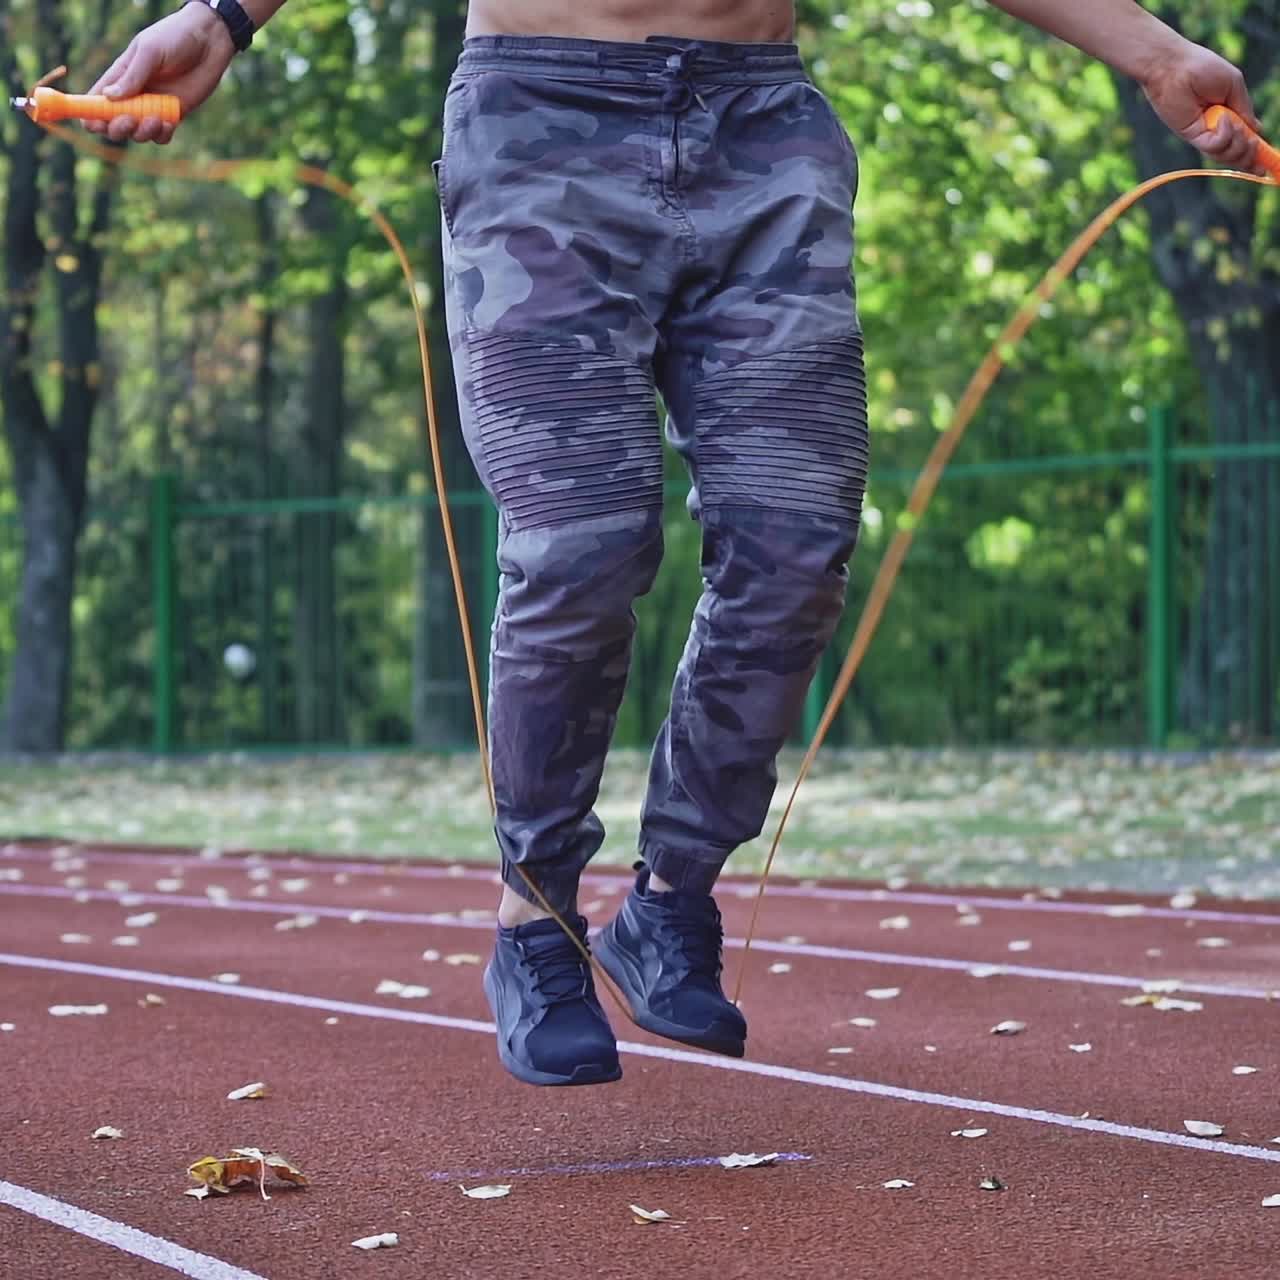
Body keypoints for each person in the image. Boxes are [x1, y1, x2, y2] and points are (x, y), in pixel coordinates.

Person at [90, 1, 1263, 1086]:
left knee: (796, 541)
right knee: (580, 542)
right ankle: (535, 914)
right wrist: (224, 16)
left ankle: (666, 903)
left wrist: (1152, 52)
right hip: (538, 119)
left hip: (760, 127)